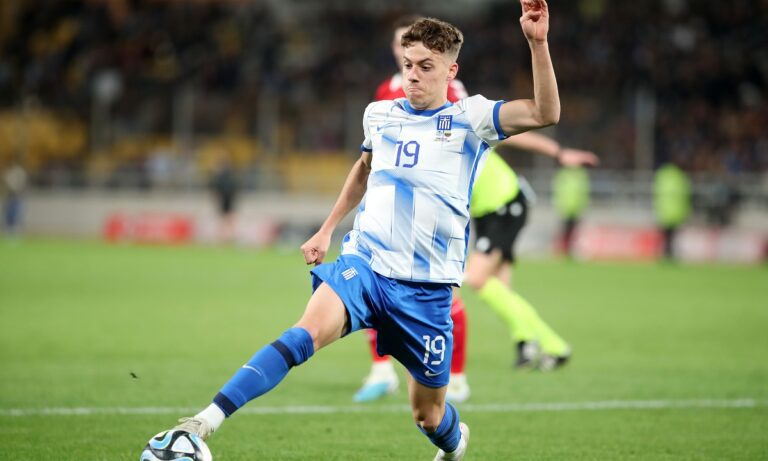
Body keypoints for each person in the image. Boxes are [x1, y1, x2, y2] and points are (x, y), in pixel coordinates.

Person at [166, 5, 560, 460]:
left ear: (451, 71)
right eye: (408, 64)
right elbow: (364, 168)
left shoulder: (472, 118)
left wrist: (537, 43)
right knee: (303, 334)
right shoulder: (380, 115)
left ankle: (454, 445)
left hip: (427, 291)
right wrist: (327, 230)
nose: (412, 76)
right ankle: (199, 426)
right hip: (366, 266)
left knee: (429, 417)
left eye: (426, 67)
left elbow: (545, 112)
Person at [354, 14, 598, 404]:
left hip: (501, 199)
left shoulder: (452, 104)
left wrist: (556, 151)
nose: (407, 57)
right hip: (478, 208)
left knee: (477, 280)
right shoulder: (390, 101)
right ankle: (530, 341)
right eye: (401, 48)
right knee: (496, 286)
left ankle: (535, 348)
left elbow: (518, 124)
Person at [653, 161, 691, 260]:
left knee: (666, 236)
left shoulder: (662, 176)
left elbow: (656, 194)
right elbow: (685, 195)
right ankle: (670, 254)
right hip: (677, 213)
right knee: (672, 236)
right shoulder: (680, 177)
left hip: (664, 212)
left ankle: (666, 254)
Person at [552, 165, 591, 258]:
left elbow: (585, 191)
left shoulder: (581, 175)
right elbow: (557, 190)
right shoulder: (563, 174)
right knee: (564, 231)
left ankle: (571, 252)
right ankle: (561, 252)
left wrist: (583, 205)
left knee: (575, 232)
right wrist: (559, 205)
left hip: (577, 209)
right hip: (565, 209)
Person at [209, 148, 239, 243]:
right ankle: (225, 236)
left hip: (226, 199)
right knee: (227, 219)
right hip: (226, 198)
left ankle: (225, 237)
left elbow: (214, 188)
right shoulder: (227, 175)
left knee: (226, 219)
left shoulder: (223, 175)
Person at [2, 159, 27, 237]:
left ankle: (15, 230)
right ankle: (9, 230)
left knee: (17, 213)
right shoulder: (9, 172)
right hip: (10, 196)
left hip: (17, 196)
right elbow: (6, 184)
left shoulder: (19, 172)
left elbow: (22, 184)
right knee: (9, 214)